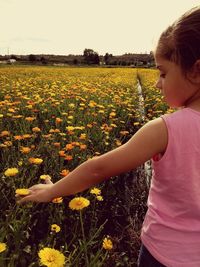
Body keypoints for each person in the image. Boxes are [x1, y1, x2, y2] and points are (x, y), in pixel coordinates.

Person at [18, 6, 200, 267]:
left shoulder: (165, 129)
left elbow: (97, 169)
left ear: (195, 71)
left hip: (164, 255)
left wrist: (52, 191)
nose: (158, 83)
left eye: (163, 73)